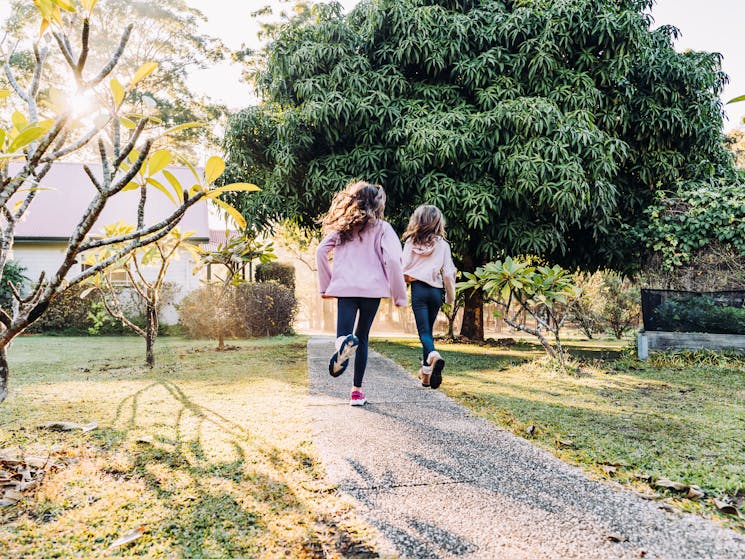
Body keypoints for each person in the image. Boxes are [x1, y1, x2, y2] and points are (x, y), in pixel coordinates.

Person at [316, 180, 407, 406]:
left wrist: (326, 286)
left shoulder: (343, 230)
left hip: (345, 289)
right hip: (372, 290)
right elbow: (394, 260)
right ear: (377, 204)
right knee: (363, 337)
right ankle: (356, 393)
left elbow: (321, 251)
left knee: (344, 337)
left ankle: (342, 346)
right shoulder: (383, 229)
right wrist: (399, 294)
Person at [402, 205, 456, 389]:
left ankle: (433, 356)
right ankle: (426, 375)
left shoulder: (410, 242)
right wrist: (451, 298)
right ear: (438, 223)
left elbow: (402, 267)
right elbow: (449, 273)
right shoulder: (443, 245)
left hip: (419, 291)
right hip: (435, 292)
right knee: (428, 332)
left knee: (424, 333)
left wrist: (408, 279)